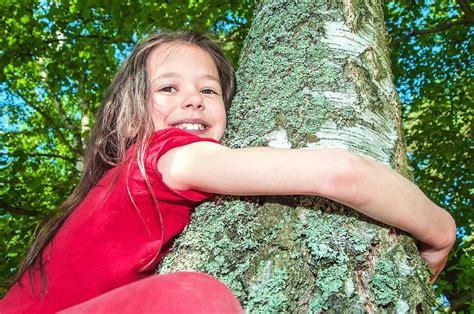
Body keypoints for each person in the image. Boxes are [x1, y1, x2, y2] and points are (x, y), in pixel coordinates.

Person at [0, 31, 456, 313]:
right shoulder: (165, 156)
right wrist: (441, 230)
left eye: (209, 90)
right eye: (168, 87)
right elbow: (340, 172)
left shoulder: (116, 189)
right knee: (195, 299)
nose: (194, 99)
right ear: (128, 113)